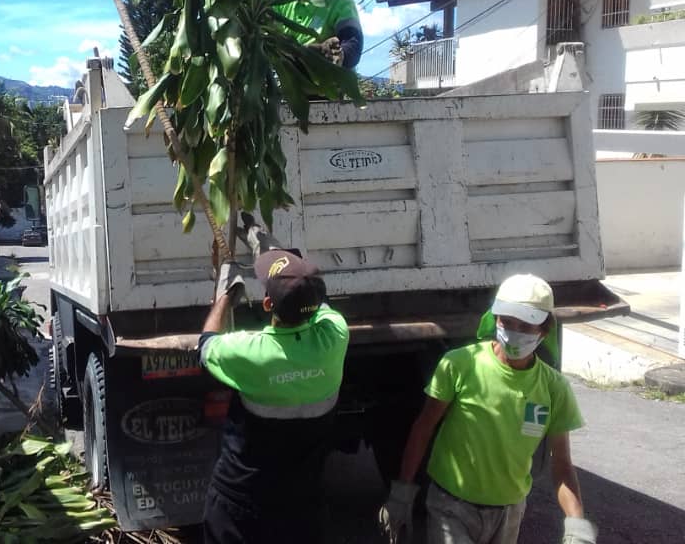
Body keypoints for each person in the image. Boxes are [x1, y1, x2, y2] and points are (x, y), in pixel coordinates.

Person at [378, 274, 597, 544]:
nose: (514, 332)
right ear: (495, 319)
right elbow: (423, 428)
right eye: (507, 322)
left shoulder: (554, 388)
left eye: (525, 326)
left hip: (509, 513)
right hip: (450, 507)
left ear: (544, 330)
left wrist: (576, 523)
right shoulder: (460, 365)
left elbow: (561, 464)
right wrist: (401, 494)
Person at [198, 218, 350, 543]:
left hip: (242, 503)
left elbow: (207, 345)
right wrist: (284, 260)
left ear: (267, 304)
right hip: (302, 507)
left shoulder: (251, 353)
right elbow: (321, 304)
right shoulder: (335, 338)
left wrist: (226, 294)